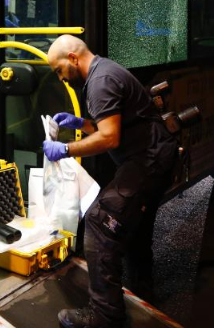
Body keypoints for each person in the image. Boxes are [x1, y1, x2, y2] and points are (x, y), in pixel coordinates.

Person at [43, 35, 177, 328]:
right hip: (155, 157)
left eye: (59, 70)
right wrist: (80, 124)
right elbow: (108, 124)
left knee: (100, 223)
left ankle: (105, 317)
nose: (62, 78)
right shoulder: (103, 71)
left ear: (73, 58)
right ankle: (145, 297)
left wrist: (64, 150)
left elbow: (109, 137)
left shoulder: (99, 81)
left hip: (147, 160)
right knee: (134, 230)